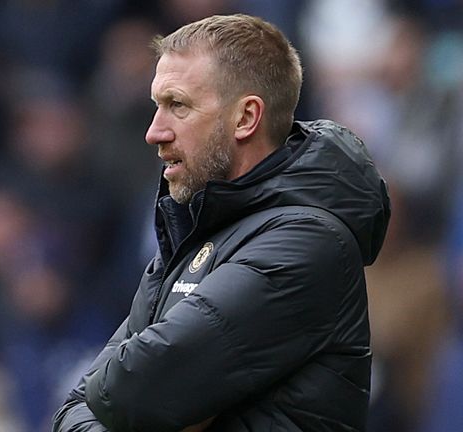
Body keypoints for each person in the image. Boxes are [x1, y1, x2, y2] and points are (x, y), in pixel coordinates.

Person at [52, 14, 391, 432]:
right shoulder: (192, 234)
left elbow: (130, 390)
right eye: (157, 106)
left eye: (177, 105)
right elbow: (76, 408)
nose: (154, 132)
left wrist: (129, 406)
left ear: (246, 118)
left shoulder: (310, 243)